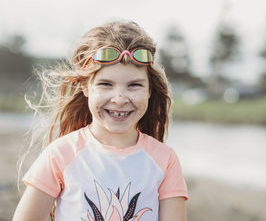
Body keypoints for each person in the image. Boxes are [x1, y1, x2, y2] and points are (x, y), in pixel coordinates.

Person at [13, 20, 188, 221]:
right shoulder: (60, 154)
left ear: (150, 90)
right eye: (105, 84)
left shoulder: (165, 160)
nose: (120, 98)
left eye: (134, 85)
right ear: (86, 87)